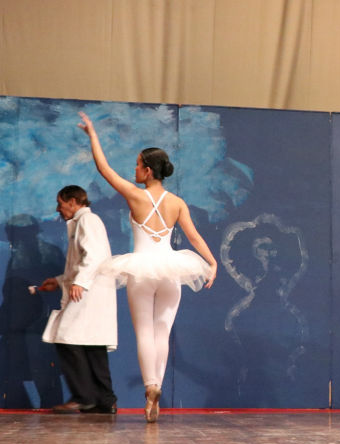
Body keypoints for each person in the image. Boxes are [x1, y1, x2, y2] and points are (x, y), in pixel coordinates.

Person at [78, 112, 217, 423]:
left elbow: (104, 169)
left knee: (143, 331)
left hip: (140, 269)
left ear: (148, 170)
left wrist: (92, 135)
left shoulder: (135, 195)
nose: (134, 169)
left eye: (138, 165)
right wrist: (211, 262)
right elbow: (194, 237)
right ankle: (158, 387)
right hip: (171, 269)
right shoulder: (177, 202)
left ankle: (150, 386)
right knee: (162, 332)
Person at [38, 185, 119, 414]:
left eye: (61, 203)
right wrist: (59, 280)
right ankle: (105, 399)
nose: (58, 209)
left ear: (73, 202)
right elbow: (81, 262)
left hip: (88, 291)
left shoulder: (87, 221)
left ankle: (84, 397)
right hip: (89, 289)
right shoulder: (83, 222)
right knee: (92, 344)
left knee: (67, 337)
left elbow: (93, 256)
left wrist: (80, 282)